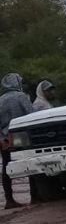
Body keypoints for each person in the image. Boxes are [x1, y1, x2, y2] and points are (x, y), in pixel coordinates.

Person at [1, 73, 33, 209]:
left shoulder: (0, 99)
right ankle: (35, 196)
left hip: (5, 139)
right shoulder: (21, 97)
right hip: (23, 138)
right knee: (30, 165)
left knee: (6, 168)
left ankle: (9, 200)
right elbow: (31, 115)